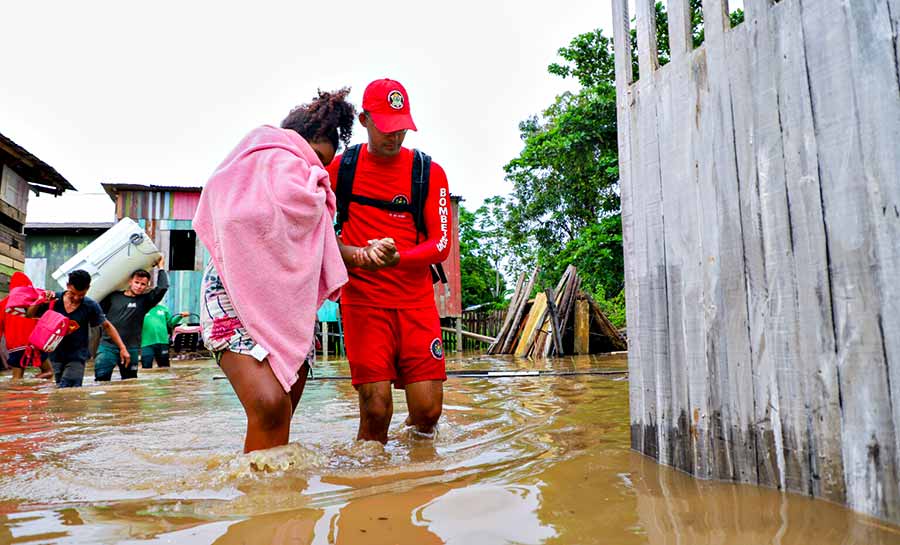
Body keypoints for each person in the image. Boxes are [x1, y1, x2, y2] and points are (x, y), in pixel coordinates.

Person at [193, 88, 357, 453]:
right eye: (312, 156)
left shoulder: (314, 196)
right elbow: (228, 221)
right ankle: (255, 499)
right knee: (269, 405)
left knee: (282, 411)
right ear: (288, 143)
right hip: (231, 297)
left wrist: (361, 254)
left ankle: (276, 503)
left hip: (291, 306)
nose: (315, 169)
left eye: (323, 164)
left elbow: (322, 249)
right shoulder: (237, 173)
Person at [325, 78, 452, 444]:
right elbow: (308, 225)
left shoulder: (428, 172)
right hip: (363, 302)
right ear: (364, 120)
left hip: (416, 303)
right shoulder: (338, 169)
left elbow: (440, 244)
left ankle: (416, 473)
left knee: (428, 413)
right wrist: (357, 256)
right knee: (377, 410)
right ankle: (370, 489)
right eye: (385, 127)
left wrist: (398, 258)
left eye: (401, 128)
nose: (394, 137)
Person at [26, 270, 130, 388]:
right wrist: (39, 300)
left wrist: (122, 348)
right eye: (73, 293)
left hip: (77, 356)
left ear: (88, 288)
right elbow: (30, 315)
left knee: (68, 388)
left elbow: (107, 325)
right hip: (55, 356)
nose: (76, 298)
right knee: (60, 391)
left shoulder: (90, 306)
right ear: (68, 286)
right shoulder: (53, 300)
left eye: (81, 295)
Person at [95, 259, 169, 381]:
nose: (139, 287)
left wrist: (161, 267)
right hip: (108, 346)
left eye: (143, 284)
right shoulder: (113, 296)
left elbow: (163, 287)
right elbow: (97, 311)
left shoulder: (145, 301)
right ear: (130, 281)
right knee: (101, 379)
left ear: (147, 286)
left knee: (130, 381)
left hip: (131, 348)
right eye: (137, 282)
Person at [1, 272, 52, 380]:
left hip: (15, 347)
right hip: (35, 344)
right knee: (48, 372)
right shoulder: (35, 300)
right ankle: (33, 383)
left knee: (16, 378)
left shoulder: (3, 304)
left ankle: (16, 395)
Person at [140, 303, 188, 368]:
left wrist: (180, 316)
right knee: (146, 367)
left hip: (162, 341)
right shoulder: (140, 308)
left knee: (165, 367)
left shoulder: (164, 309)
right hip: (146, 343)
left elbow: (170, 323)